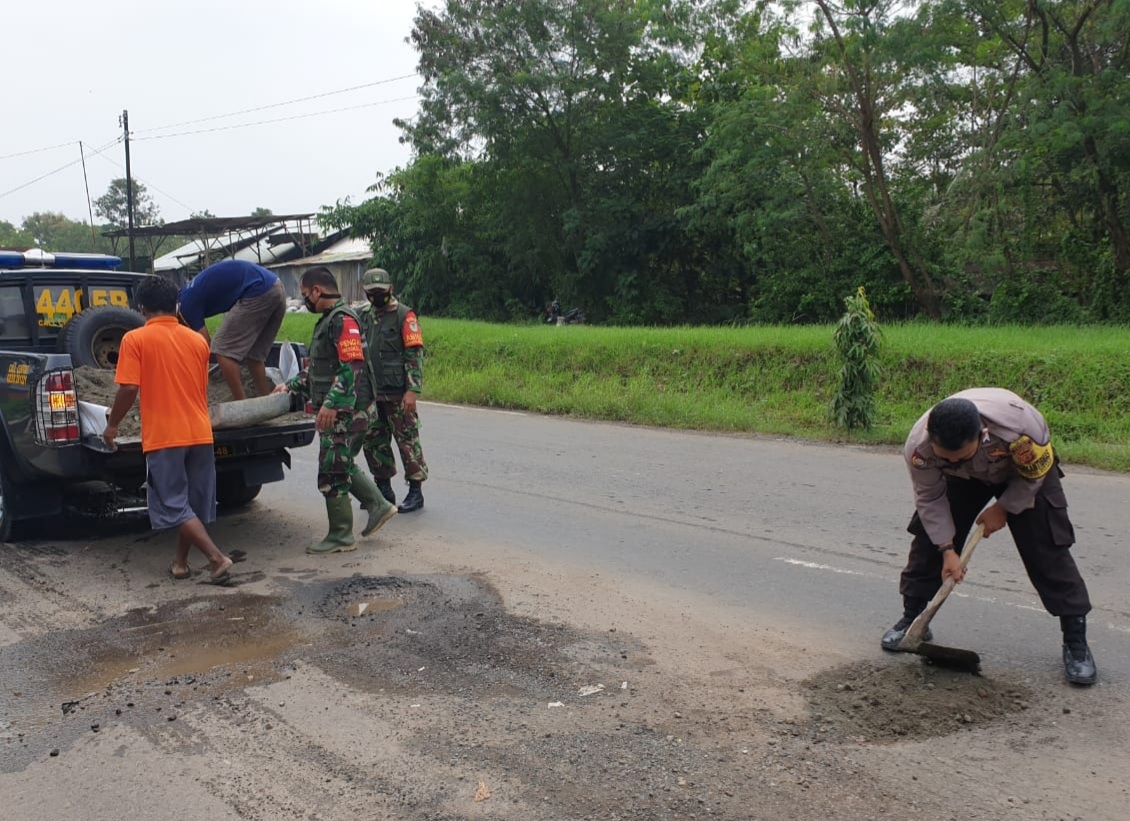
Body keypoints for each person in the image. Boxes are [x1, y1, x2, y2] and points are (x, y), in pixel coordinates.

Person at [881, 388, 1098, 685]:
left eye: (962, 456)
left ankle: (1076, 643)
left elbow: (1035, 475)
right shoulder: (920, 448)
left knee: (1047, 546)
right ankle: (913, 619)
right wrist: (947, 549)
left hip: (1022, 474)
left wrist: (1004, 507)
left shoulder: (1023, 430)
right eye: (948, 458)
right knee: (928, 541)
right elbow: (930, 498)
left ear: (982, 434)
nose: (954, 461)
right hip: (963, 482)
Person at [103, 276, 235, 583]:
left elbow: (128, 389)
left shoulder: (134, 340)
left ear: (141, 307)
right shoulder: (198, 341)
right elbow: (199, 388)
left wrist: (112, 426)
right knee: (191, 503)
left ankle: (217, 559)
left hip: (165, 436)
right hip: (200, 433)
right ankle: (179, 563)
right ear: (176, 305)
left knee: (172, 503)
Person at [272, 266, 396, 553]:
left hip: (346, 411)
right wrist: (290, 387)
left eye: (305, 294)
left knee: (332, 470)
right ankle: (378, 505)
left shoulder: (342, 321)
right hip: (344, 409)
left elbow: (353, 366)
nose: (305, 301)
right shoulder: (330, 320)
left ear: (317, 291)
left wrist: (330, 404)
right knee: (341, 462)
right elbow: (320, 370)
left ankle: (341, 535)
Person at [357, 267, 428, 513]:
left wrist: (412, 390)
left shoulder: (404, 316)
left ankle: (416, 492)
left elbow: (414, 354)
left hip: (398, 393)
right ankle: (383, 490)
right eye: (372, 292)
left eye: (381, 291)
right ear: (364, 292)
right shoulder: (361, 316)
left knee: (407, 442)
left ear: (391, 289)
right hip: (372, 394)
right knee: (374, 443)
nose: (377, 296)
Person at [177, 258, 288, 400]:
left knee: (222, 349)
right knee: (254, 355)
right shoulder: (187, 294)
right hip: (274, 285)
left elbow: (204, 345)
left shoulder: (183, 307)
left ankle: (241, 404)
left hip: (257, 290)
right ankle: (266, 401)